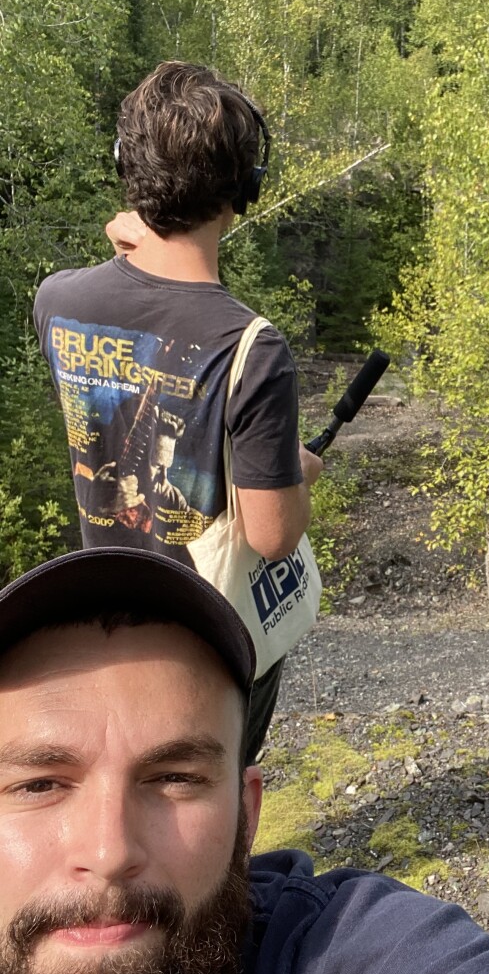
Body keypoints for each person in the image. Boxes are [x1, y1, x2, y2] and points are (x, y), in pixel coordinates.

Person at [0, 545, 489, 974]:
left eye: (174, 778)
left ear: (247, 815)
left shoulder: (337, 959)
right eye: (39, 785)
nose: (109, 852)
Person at [33, 60, 321, 763]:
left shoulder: (57, 302)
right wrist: (294, 471)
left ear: (125, 170)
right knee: (206, 788)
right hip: (206, 629)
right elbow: (274, 533)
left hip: (108, 614)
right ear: (242, 193)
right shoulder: (251, 347)